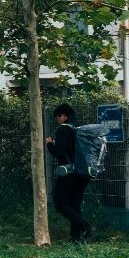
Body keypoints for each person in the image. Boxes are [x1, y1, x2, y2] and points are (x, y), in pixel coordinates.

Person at [46, 103, 93, 242]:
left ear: (63, 116)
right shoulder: (78, 129)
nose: (57, 120)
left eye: (57, 118)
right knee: (74, 204)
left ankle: (86, 227)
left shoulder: (63, 129)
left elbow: (58, 152)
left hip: (69, 172)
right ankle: (76, 238)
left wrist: (49, 143)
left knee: (60, 203)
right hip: (83, 172)